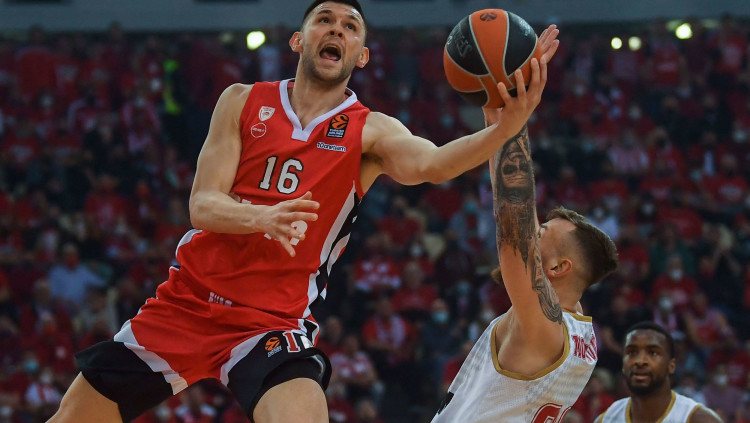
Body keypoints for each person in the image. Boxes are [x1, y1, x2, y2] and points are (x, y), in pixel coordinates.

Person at [49, 1, 561, 423]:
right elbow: (202, 205)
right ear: (299, 40)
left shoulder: (370, 130)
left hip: (270, 322)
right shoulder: (241, 101)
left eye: (350, 26)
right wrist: (261, 217)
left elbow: (432, 164)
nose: (337, 29)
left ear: (362, 56)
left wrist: (505, 127)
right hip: (187, 303)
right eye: (325, 20)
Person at [433, 114, 619, 420]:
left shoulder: (543, 325)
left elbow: (514, 223)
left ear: (558, 267)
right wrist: (498, 118)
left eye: (540, 234)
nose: (532, 235)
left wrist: (513, 118)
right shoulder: (580, 329)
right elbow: (522, 219)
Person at [595, 321, 722, 423]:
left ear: (671, 366)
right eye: (632, 352)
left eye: (653, 353)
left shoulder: (698, 419)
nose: (640, 361)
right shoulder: (606, 419)